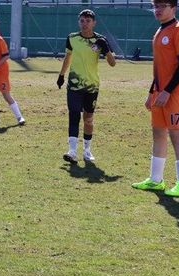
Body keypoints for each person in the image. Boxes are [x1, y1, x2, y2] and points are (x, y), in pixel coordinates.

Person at [132, 0, 179, 197]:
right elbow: (159, 68)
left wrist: (167, 91)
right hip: (160, 92)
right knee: (158, 133)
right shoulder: (159, 32)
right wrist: (152, 92)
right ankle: (155, 180)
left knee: (176, 135)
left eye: (162, 6)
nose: (157, 10)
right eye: (155, 6)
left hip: (175, 92)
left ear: (173, 8)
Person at [56, 9, 116, 163]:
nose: (85, 24)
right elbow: (68, 57)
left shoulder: (99, 40)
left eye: (88, 21)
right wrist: (62, 75)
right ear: (79, 22)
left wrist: (106, 48)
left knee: (88, 119)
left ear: (94, 23)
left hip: (92, 86)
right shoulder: (72, 38)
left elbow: (112, 63)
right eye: (82, 20)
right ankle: (72, 151)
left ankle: (87, 151)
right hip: (74, 85)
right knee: (74, 115)